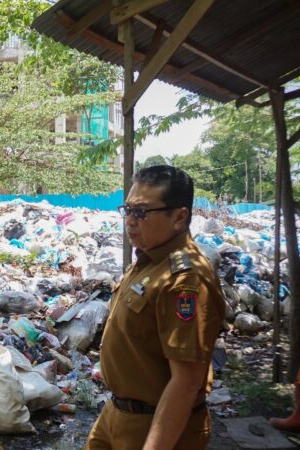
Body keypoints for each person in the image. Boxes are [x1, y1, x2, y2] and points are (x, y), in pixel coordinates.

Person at [85, 165, 225, 450]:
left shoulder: (185, 280)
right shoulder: (150, 260)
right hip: (116, 413)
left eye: (141, 212)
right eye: (128, 210)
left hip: (154, 427)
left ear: (179, 217)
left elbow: (186, 382)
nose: (130, 221)